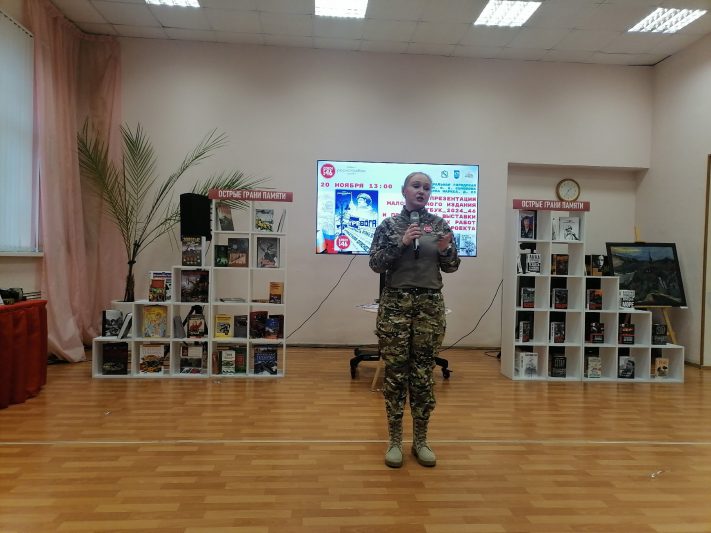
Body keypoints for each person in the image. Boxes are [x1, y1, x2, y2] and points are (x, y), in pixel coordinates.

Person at [369, 171, 460, 468]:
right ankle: (395, 440)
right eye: (416, 186)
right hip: (396, 306)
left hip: (429, 308)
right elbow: (375, 264)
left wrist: (446, 250)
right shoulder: (388, 226)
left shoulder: (440, 225)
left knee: (422, 375)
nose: (422, 191)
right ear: (404, 190)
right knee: (396, 374)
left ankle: (421, 440)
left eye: (427, 188)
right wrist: (402, 243)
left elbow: (452, 267)